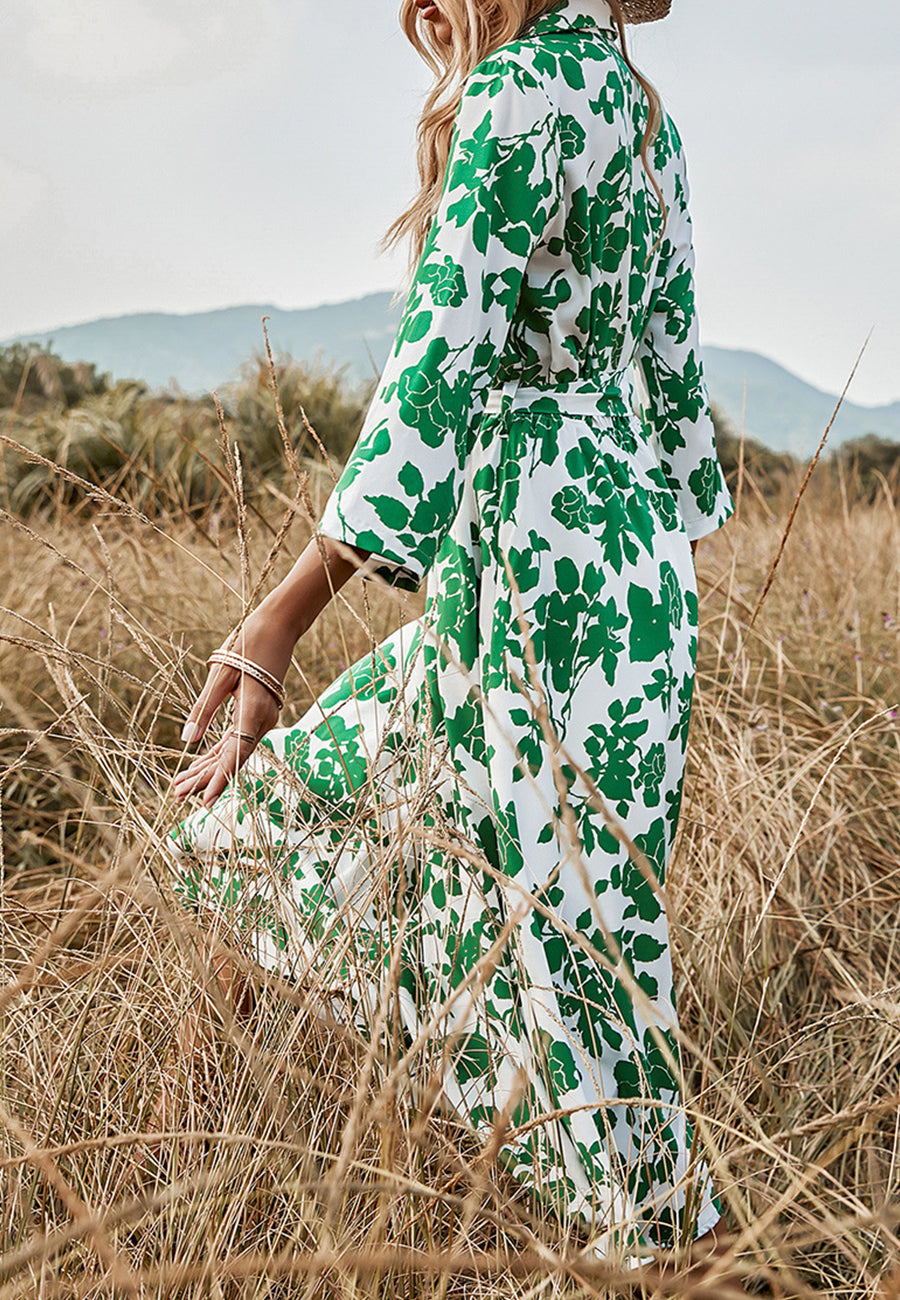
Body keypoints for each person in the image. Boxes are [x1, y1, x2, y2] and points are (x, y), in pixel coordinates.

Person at [171, 0, 741, 1282]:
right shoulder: (652, 121)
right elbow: (675, 397)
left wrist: (278, 618)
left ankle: (680, 1259)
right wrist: (651, 583)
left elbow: (436, 378)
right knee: (581, 940)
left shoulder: (525, 93)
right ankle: (207, 1166)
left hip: (535, 568)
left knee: (566, 960)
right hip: (636, 577)